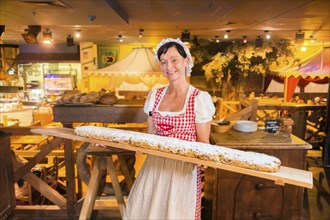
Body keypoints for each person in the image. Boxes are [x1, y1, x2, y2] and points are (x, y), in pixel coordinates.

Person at [124, 38, 215, 220]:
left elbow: (203, 142)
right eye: (163, 62)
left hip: (182, 169)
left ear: (186, 61)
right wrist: (113, 144)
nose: (169, 66)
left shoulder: (199, 98)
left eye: (174, 60)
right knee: (146, 211)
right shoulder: (155, 95)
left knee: (178, 213)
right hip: (155, 165)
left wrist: (205, 161)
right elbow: (150, 135)